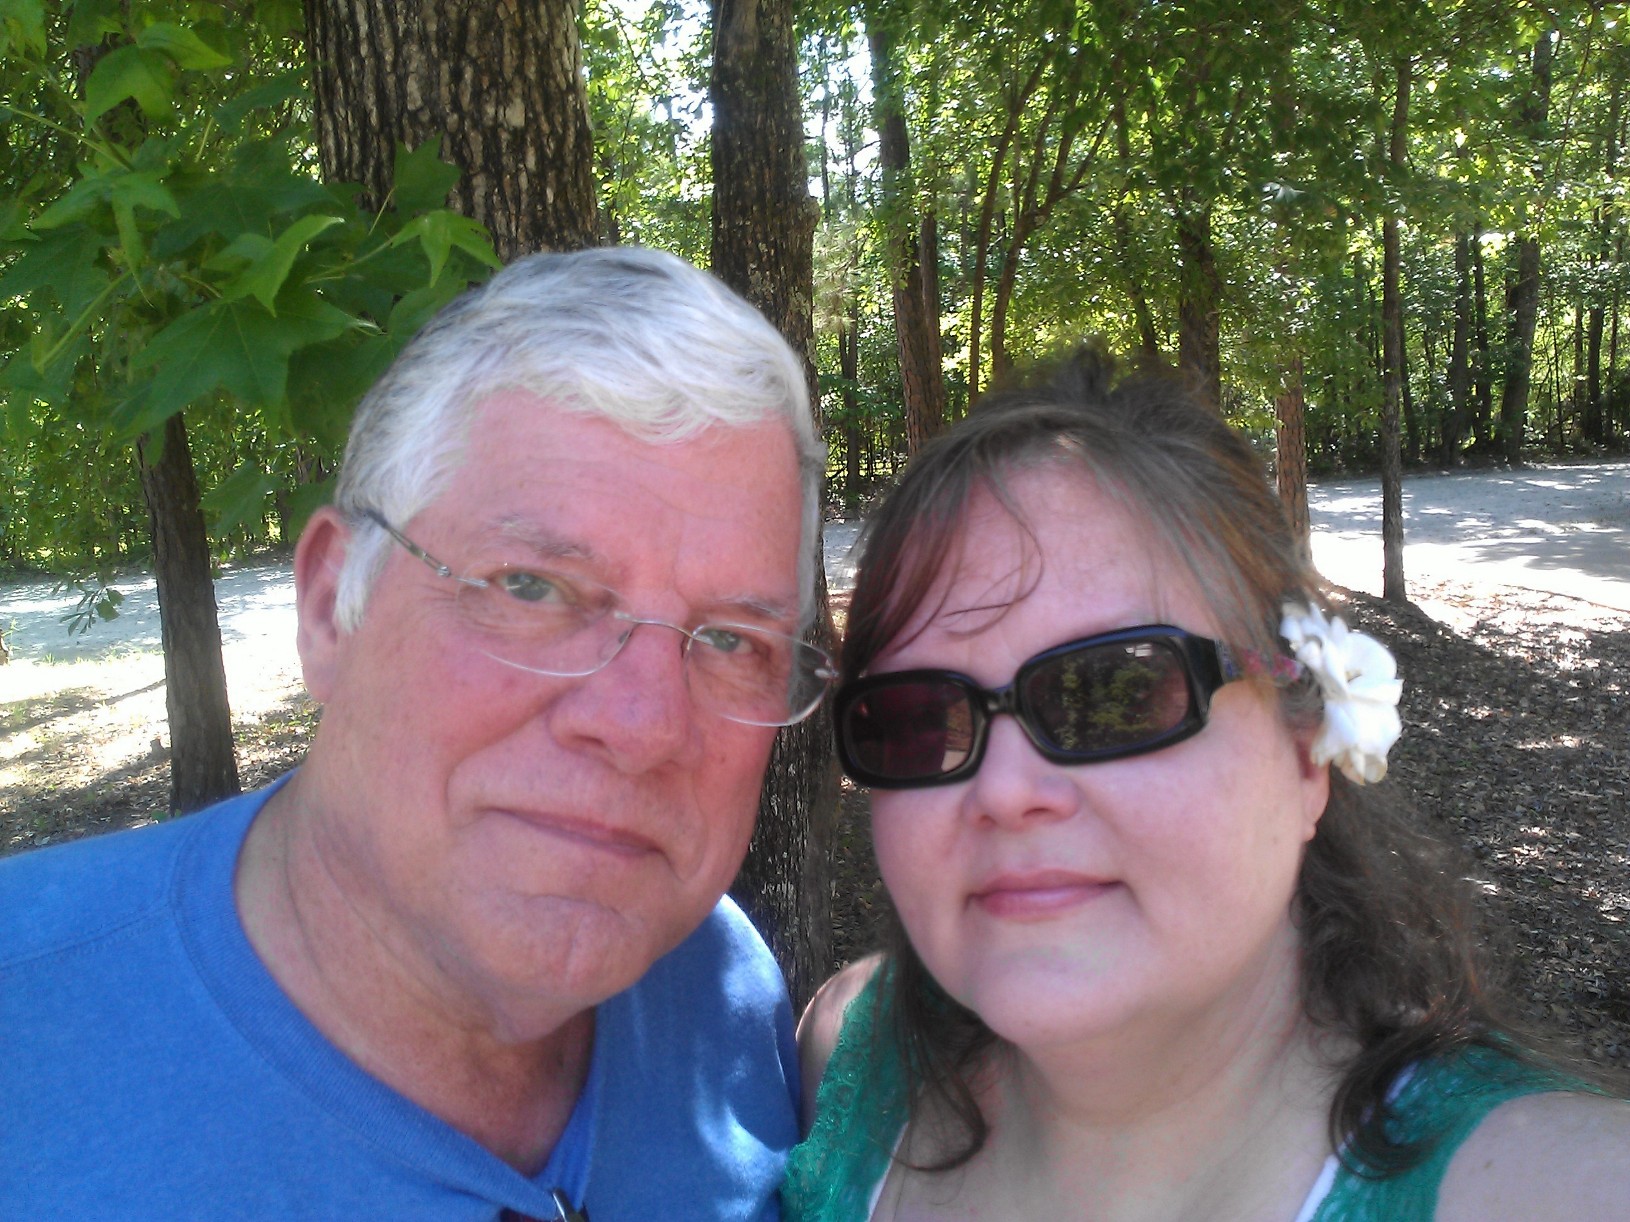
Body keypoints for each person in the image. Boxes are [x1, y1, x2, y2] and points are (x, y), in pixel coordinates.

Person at [0, 247, 835, 1220]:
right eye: (531, 587)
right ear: (330, 608)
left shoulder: (722, 992)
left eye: (732, 639)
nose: (644, 723)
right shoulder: (28, 1021)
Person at [783, 349, 1630, 1221]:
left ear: (1307, 756)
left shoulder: (1565, 1190)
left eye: (1117, 693)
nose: (1004, 789)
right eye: (919, 719)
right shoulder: (845, 1052)